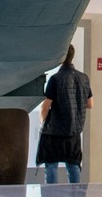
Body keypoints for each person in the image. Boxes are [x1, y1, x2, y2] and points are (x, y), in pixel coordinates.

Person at [37, 44, 93, 183]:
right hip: (73, 131)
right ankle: (75, 194)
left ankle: (51, 195)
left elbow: (45, 107)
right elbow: (90, 104)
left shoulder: (55, 78)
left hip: (54, 132)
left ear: (61, 57)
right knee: (73, 165)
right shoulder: (84, 78)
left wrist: (43, 123)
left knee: (51, 166)